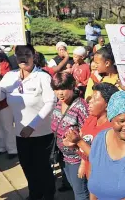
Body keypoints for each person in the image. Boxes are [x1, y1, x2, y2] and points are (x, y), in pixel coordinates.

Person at [0, 44, 56, 200]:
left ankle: (48, 195)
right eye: (19, 54)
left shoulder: (43, 77)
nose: (23, 57)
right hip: (20, 133)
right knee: (28, 167)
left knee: (43, 168)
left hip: (42, 133)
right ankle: (35, 194)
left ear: (34, 55)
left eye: (27, 54)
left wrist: (32, 126)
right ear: (15, 56)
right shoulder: (10, 76)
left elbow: (51, 102)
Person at [63, 82, 119, 179]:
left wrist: (78, 141)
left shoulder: (112, 128)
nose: (90, 101)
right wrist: (74, 144)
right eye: (91, 98)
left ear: (107, 104)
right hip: (91, 176)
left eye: (95, 99)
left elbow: (99, 157)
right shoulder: (91, 119)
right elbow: (86, 143)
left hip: (105, 178)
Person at [50, 72, 89, 200]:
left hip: (77, 159)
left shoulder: (80, 106)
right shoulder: (59, 103)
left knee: (81, 193)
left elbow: (89, 136)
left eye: (63, 89)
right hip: (64, 157)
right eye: (56, 89)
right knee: (75, 187)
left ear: (72, 86)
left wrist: (84, 163)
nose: (60, 93)